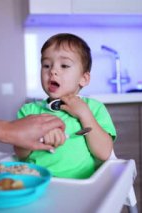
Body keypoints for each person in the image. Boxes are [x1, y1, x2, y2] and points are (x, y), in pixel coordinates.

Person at [13, 33, 116, 179]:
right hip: (39, 183)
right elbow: (20, 153)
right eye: (46, 65)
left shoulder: (94, 108)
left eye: (64, 65)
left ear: (83, 78)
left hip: (82, 186)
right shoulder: (29, 111)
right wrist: (35, 136)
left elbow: (104, 153)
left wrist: (84, 114)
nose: (52, 71)